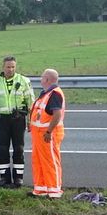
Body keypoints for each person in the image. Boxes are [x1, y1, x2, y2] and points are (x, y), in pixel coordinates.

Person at [0, 56, 35, 188]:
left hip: (18, 120)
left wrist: (30, 122)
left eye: (13, 67)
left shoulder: (23, 81)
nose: (10, 69)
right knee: (2, 149)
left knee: (19, 149)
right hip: (2, 120)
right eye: (8, 67)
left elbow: (31, 103)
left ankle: (18, 178)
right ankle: (4, 178)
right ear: (3, 67)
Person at [29, 68, 66, 198]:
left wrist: (49, 131)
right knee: (38, 161)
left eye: (42, 77)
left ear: (47, 79)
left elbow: (57, 114)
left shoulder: (54, 94)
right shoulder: (46, 93)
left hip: (48, 134)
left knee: (50, 161)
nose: (40, 79)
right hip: (39, 134)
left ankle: (54, 191)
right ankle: (41, 189)